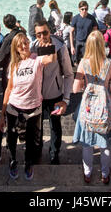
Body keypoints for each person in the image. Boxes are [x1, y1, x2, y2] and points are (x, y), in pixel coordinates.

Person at [0, 32, 57, 181]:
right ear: (16, 48)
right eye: (20, 44)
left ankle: (28, 163)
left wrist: (49, 44)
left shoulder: (36, 59)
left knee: (32, 140)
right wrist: (3, 113)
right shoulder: (13, 64)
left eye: (25, 42)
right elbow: (9, 89)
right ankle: (12, 161)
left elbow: (51, 58)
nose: (24, 46)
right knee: (11, 138)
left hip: (34, 109)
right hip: (14, 107)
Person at [73, 31, 111, 184]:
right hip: (104, 107)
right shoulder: (110, 63)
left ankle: (87, 173)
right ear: (102, 45)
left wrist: (86, 85)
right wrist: (106, 87)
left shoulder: (83, 62)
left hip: (87, 107)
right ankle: (105, 174)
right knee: (104, 143)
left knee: (87, 143)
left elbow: (75, 88)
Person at [31, 20, 74, 165]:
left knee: (55, 126)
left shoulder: (60, 47)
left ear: (50, 31)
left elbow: (69, 74)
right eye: (38, 34)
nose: (42, 36)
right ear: (35, 35)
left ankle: (54, 154)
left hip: (55, 95)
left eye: (45, 32)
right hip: (37, 96)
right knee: (37, 127)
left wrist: (66, 99)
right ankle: (37, 152)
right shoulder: (32, 48)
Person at [0, 14, 26, 96]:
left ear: (5, 26)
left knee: (8, 90)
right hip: (23, 63)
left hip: (11, 66)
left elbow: (0, 59)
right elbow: (24, 32)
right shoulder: (21, 33)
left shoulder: (8, 38)